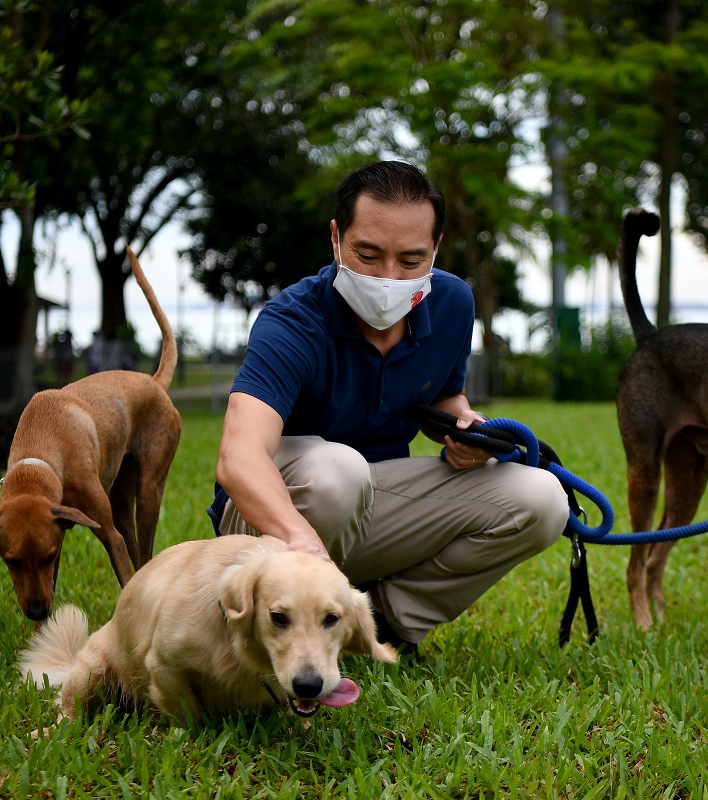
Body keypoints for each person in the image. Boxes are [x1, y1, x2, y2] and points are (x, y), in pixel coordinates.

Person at [211, 160, 568, 655]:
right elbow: (239, 457)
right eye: (368, 254)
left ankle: (382, 624)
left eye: (410, 260)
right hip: (272, 521)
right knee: (339, 471)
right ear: (336, 237)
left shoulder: (452, 304)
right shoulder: (291, 321)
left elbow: (442, 393)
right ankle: (280, 620)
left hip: (374, 495)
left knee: (543, 498)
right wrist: (301, 540)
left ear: (436, 249)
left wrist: (466, 429)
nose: (387, 278)